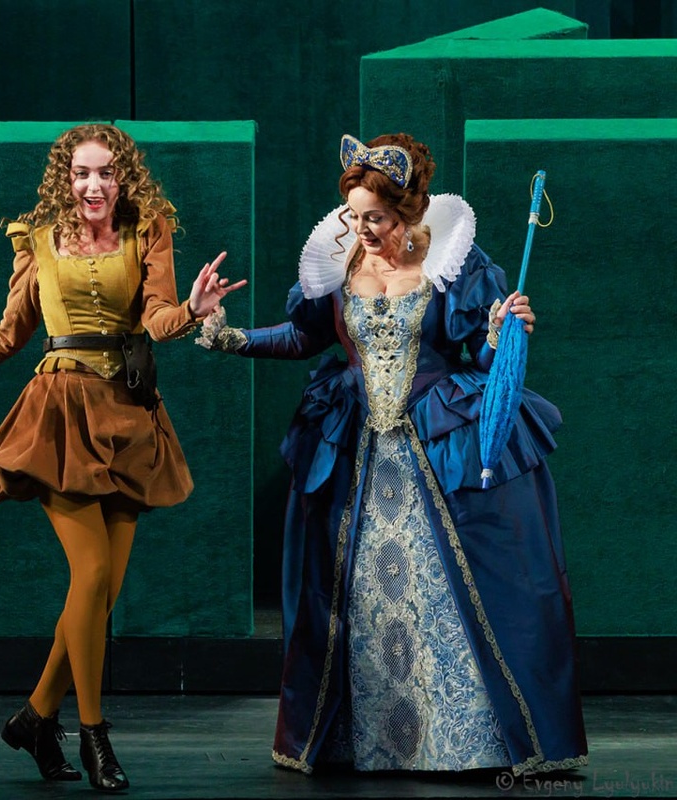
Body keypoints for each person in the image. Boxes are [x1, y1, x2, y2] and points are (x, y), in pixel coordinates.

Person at [196, 133, 588, 775]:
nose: (362, 230)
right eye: (354, 216)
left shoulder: (453, 263)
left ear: (408, 212)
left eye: (375, 218)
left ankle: (466, 741)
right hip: (359, 453)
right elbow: (303, 336)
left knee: (450, 594)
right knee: (362, 601)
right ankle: (369, 740)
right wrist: (226, 334)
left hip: (434, 442)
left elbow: (480, 355)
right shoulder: (340, 261)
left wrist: (501, 332)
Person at [0, 123, 243, 792]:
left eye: (105, 173)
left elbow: (156, 319)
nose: (93, 185)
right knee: (91, 573)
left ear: (122, 178)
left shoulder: (147, 230)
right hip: (61, 416)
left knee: (103, 592)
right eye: (81, 173)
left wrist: (192, 309)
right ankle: (95, 733)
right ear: (64, 179)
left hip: (129, 415)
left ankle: (35, 717)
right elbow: (10, 332)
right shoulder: (38, 241)